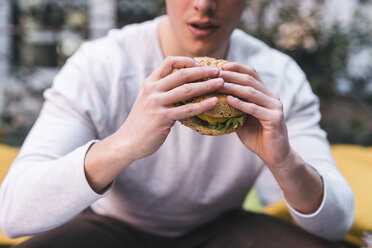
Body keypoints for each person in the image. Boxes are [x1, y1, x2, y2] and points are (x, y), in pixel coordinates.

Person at [0, 0, 354, 247]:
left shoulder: (278, 77)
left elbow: (336, 224)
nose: (203, 4)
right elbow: (13, 213)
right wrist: (125, 144)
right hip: (111, 227)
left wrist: (284, 161)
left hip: (224, 229)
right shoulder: (102, 65)